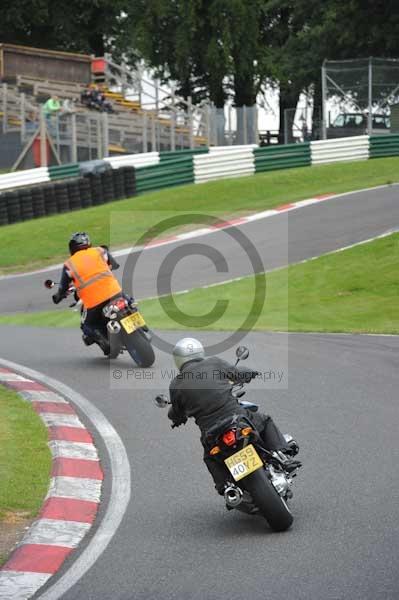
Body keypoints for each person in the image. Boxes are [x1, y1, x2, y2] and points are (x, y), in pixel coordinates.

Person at [168, 338, 301, 497]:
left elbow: (175, 413)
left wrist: (176, 419)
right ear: (199, 352)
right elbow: (237, 374)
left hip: (212, 433)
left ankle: (226, 487)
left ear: (178, 360)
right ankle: (283, 455)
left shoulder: (176, 385)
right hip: (237, 419)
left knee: (210, 457)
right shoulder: (214, 363)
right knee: (265, 420)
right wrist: (250, 373)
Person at [52, 232, 121, 354]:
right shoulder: (100, 251)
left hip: (94, 302)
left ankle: (105, 341)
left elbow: (62, 288)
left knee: (87, 325)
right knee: (129, 301)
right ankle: (139, 324)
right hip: (115, 292)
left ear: (72, 247)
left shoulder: (69, 264)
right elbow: (114, 265)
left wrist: (58, 296)